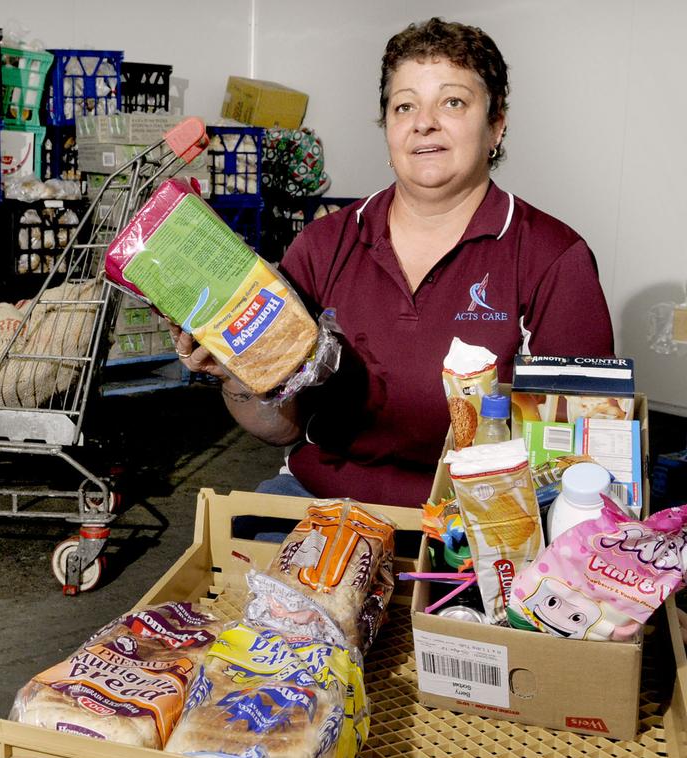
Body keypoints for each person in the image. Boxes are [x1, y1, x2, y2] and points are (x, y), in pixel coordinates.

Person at [171, 17, 614, 507]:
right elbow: (281, 427)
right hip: (323, 499)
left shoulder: (551, 258)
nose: (424, 122)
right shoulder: (324, 247)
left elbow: (577, 451)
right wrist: (236, 375)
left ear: (496, 126)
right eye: (405, 105)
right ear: (388, 129)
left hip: (479, 522)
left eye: (452, 102)